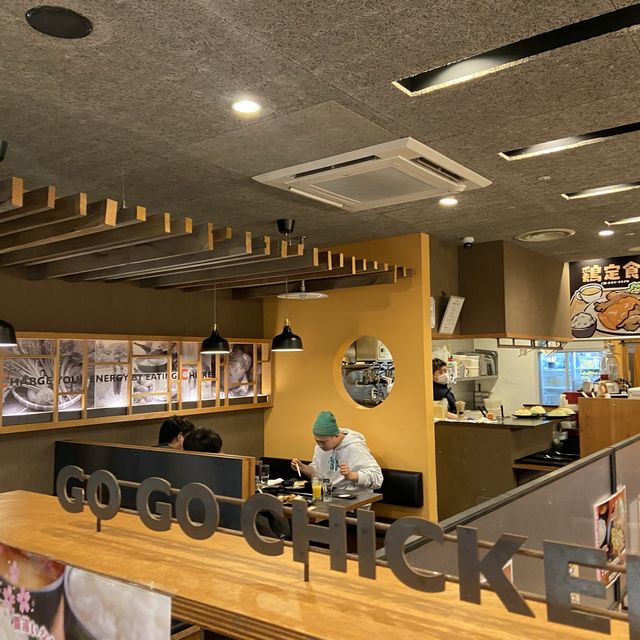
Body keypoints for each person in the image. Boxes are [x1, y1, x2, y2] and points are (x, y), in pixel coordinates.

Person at [291, 410, 382, 491]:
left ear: (336, 435)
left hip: (353, 500)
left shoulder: (355, 447)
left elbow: (377, 478)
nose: (320, 445)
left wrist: (352, 475)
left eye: (323, 442)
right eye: (317, 441)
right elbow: (317, 474)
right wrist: (302, 467)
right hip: (328, 496)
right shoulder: (320, 447)